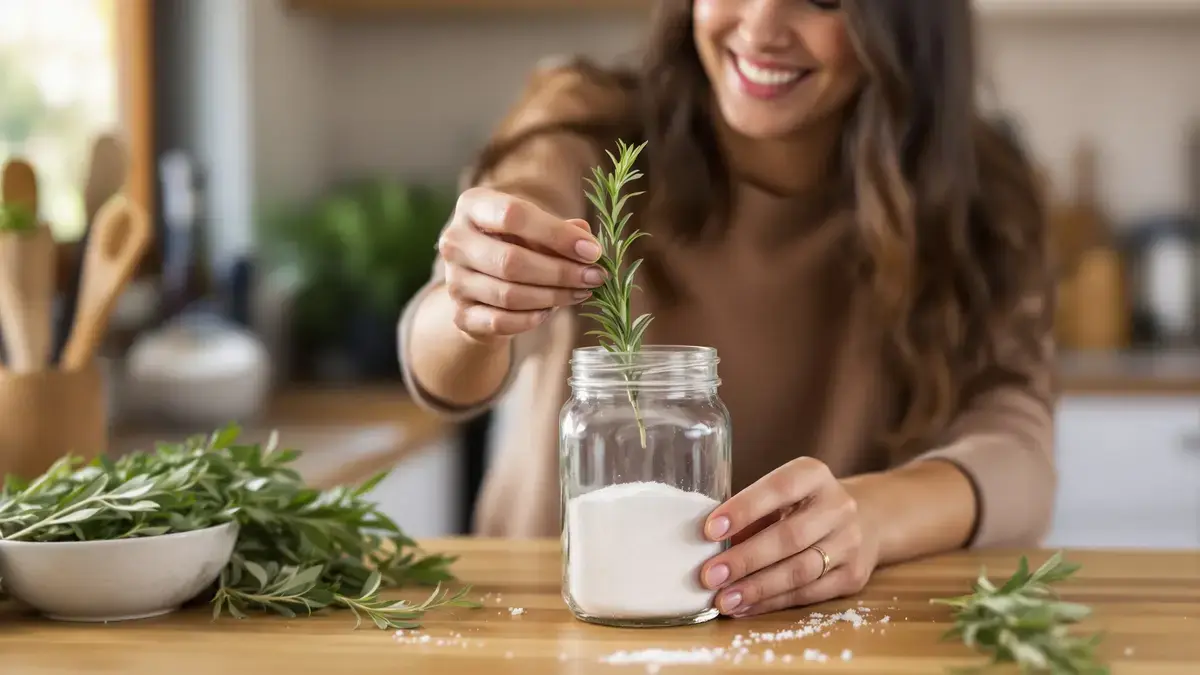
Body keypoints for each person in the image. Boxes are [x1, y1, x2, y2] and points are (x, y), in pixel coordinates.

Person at [399, 0, 1055, 618]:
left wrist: (876, 514)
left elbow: (1017, 448)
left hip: (826, 626)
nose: (763, 24)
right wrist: (474, 301)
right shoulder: (585, 124)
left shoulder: (981, 198)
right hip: (558, 627)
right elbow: (443, 368)